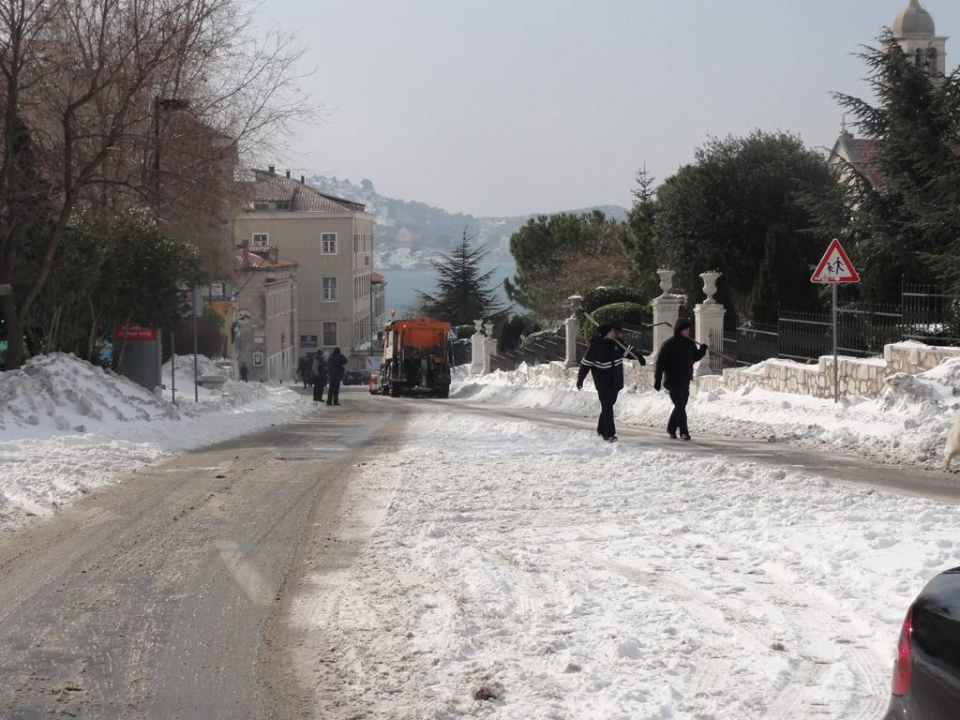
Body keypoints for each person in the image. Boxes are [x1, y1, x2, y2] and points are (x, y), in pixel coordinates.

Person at [576, 323, 644, 443]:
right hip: (602, 381)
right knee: (607, 406)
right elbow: (585, 365)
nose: (614, 332)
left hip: (616, 381)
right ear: (606, 333)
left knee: (609, 405)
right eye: (612, 331)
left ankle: (601, 429)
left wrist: (639, 356)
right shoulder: (595, 347)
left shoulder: (616, 343)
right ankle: (609, 434)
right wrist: (580, 379)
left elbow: (628, 351)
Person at [654, 319, 707, 441]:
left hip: (685, 379)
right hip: (672, 380)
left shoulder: (690, 343)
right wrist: (657, 378)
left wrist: (702, 350)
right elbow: (660, 363)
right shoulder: (668, 344)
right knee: (679, 405)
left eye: (689, 329)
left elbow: (694, 357)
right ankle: (684, 432)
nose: (688, 331)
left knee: (681, 405)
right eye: (686, 329)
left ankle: (671, 428)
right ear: (679, 330)